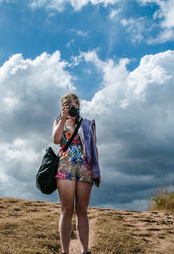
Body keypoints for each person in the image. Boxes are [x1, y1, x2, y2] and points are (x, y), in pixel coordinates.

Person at [52, 92, 101, 254]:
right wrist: (63, 119)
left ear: (78, 106)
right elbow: (56, 140)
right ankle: (65, 252)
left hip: (84, 167)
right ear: (62, 108)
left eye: (73, 107)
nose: (71, 110)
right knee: (66, 209)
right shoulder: (59, 121)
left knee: (82, 210)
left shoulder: (87, 124)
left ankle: (85, 251)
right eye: (67, 107)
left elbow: (94, 148)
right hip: (65, 165)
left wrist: (96, 171)